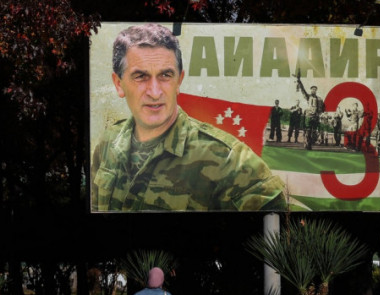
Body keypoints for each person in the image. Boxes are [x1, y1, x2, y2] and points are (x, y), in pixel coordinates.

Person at [90, 23, 286, 212]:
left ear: (179, 81)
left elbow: (276, 231)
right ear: (118, 83)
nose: (155, 92)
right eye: (140, 76)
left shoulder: (229, 160)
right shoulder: (108, 143)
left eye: (166, 75)